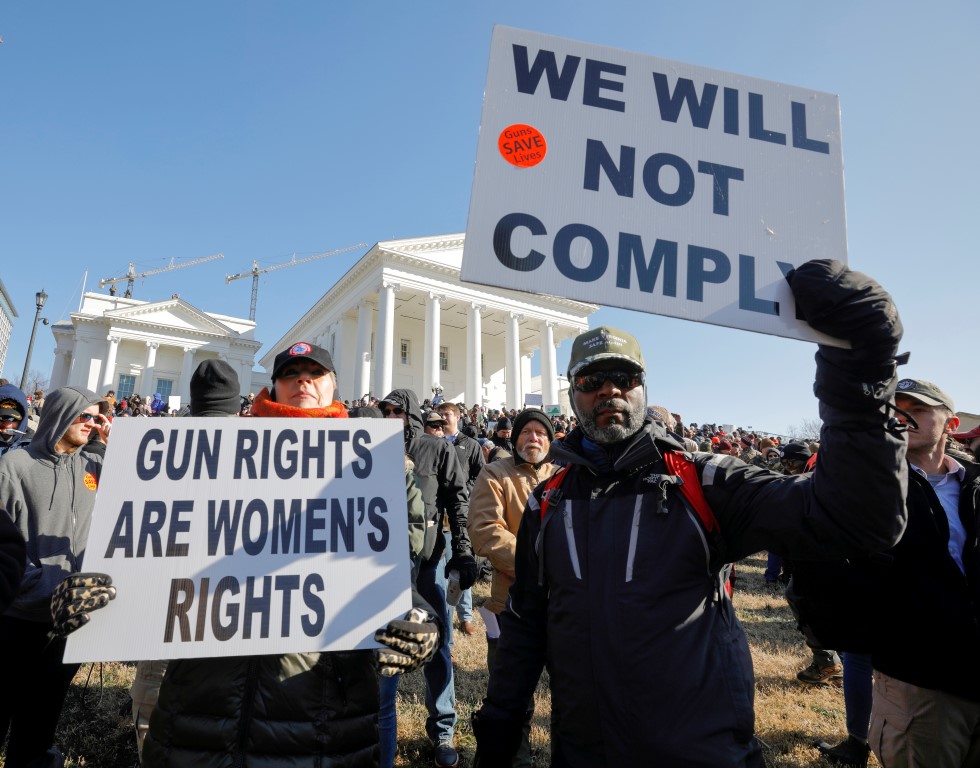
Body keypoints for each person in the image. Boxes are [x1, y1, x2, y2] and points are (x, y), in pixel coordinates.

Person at [472, 260, 909, 767]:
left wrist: (860, 373)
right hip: (584, 750)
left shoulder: (705, 480)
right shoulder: (548, 502)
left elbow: (857, 520)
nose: (609, 390)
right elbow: (526, 624)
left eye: (623, 377)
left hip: (700, 751)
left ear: (643, 388)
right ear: (573, 395)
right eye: (593, 380)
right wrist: (501, 728)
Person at [131, 342, 439, 768]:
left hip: (322, 719)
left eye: (315, 372)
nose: (303, 381)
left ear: (334, 386)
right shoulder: (215, 456)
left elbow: (386, 571)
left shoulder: (368, 469)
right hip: (202, 707)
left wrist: (416, 614)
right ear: (273, 387)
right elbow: (152, 550)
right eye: (291, 373)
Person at [128, 358, 243, 760]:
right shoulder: (256, 451)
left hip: (171, 602)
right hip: (229, 605)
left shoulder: (156, 450)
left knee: (155, 701)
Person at [864, 378, 980, 768]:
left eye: (916, 410)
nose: (902, 418)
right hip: (919, 679)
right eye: (894, 411)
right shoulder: (866, 486)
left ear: (950, 424)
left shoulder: (974, 484)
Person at [0, 386, 111, 767]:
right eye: (85, 415)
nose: (92, 423)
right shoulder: (14, 466)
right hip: (14, 620)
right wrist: (42, 587)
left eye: (97, 417)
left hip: (66, 625)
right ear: (60, 415)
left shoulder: (91, 468)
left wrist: (118, 448)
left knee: (38, 727)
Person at [380, 388, 475, 768]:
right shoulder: (367, 450)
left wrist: (464, 549)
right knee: (386, 650)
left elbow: (458, 499)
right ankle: (379, 726)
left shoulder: (436, 449)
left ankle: (443, 730)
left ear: (413, 416)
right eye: (385, 412)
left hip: (428, 565)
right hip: (381, 570)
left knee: (438, 646)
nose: (391, 418)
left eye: (397, 412)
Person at [468, 407, 559, 767]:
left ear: (549, 442)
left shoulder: (566, 476)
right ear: (515, 437)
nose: (533, 438)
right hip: (512, 606)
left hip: (565, 608)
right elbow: (485, 531)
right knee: (509, 702)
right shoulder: (495, 474)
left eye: (540, 433)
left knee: (573, 697)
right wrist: (542, 567)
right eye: (526, 432)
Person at [437, 400, 486, 637]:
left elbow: (480, 475)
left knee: (462, 561)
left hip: (461, 512)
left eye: (447, 414)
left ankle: (465, 616)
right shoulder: (432, 443)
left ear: (457, 417)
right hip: (438, 514)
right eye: (440, 414)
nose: (443, 418)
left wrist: (462, 490)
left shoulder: (471, 445)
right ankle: (444, 620)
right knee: (442, 570)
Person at [0, 383, 33, 457]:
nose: (7, 425)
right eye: (2, 418)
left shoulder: (33, 446)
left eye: (13, 419)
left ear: (22, 421)